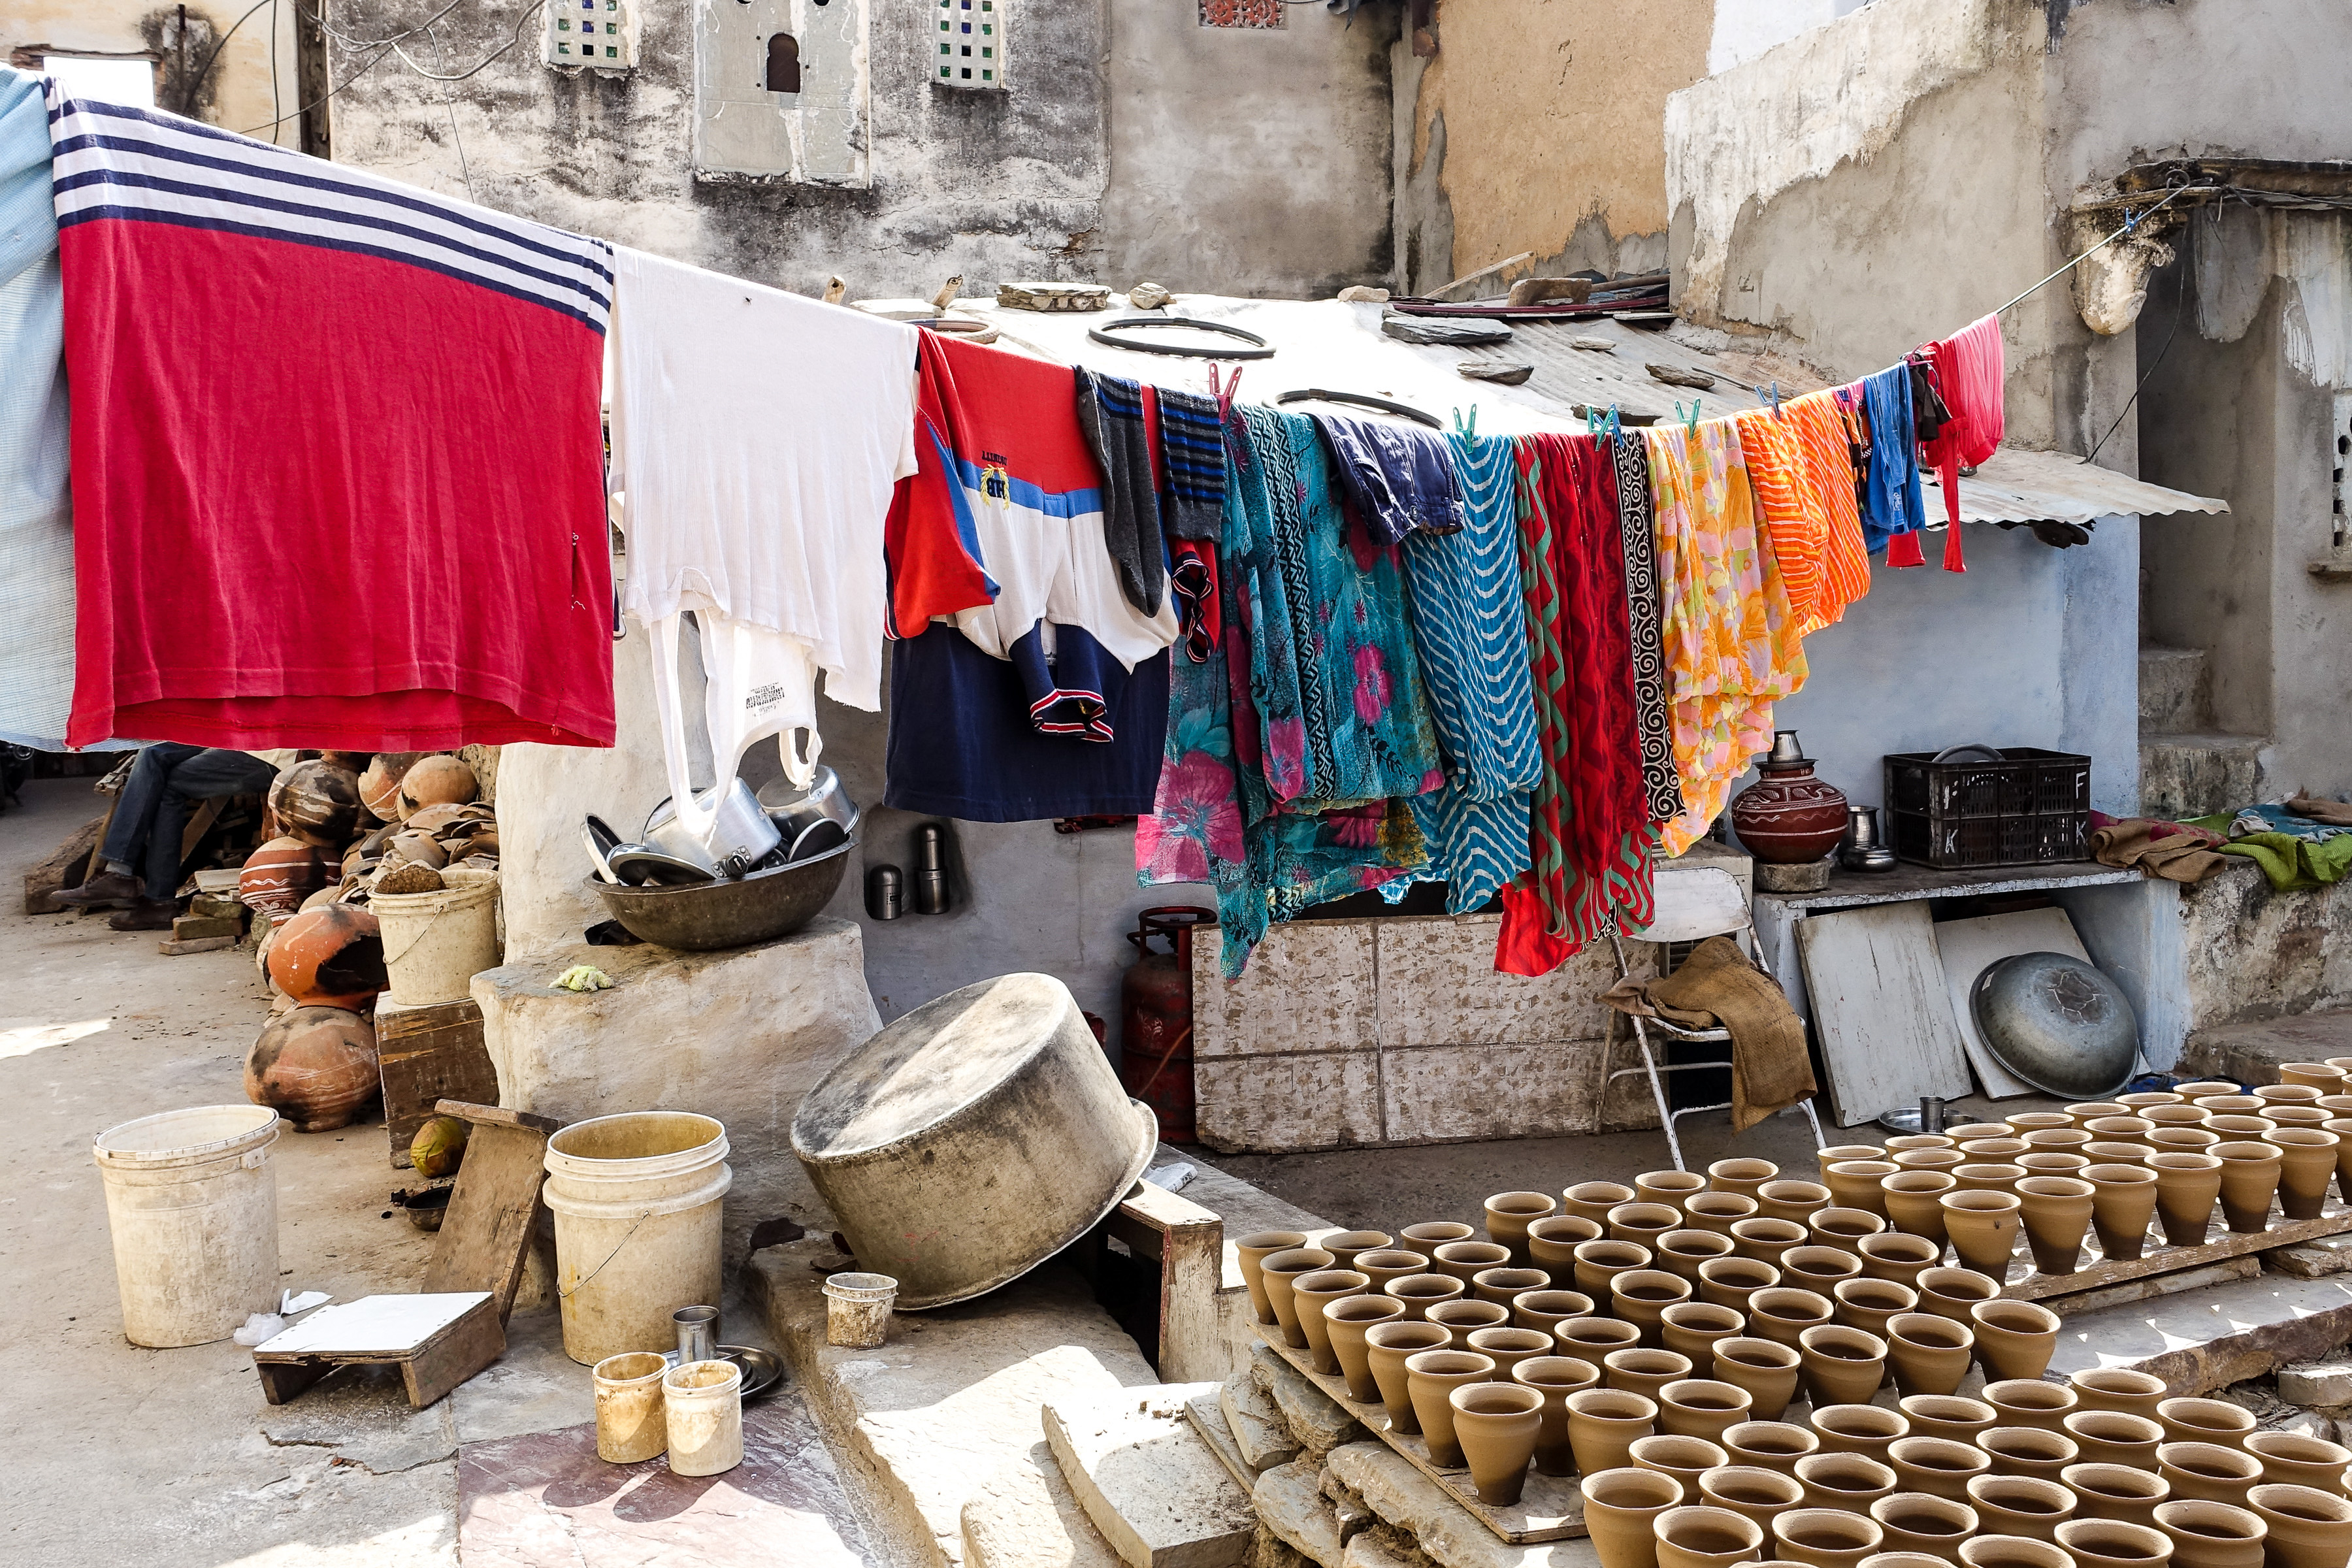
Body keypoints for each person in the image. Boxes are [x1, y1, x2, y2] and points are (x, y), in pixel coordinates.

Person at [56, 745, 293, 930]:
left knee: (168, 784)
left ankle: (153, 897)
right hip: (237, 733)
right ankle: (121, 873)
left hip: (270, 749)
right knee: (153, 753)